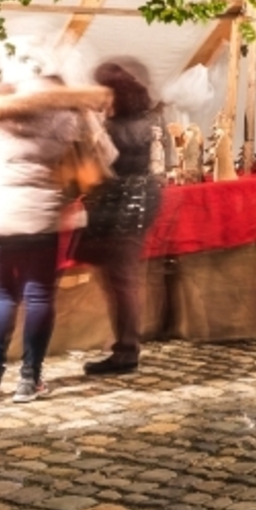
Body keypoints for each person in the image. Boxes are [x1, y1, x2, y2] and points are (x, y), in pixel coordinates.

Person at [0, 76, 115, 404]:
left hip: (3, 216)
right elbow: (103, 152)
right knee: (38, 297)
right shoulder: (63, 120)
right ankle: (29, 378)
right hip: (43, 216)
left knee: (4, 295)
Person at [76, 60, 173, 377]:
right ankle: (124, 343)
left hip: (122, 205)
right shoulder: (147, 118)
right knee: (124, 279)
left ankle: (126, 350)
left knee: (121, 281)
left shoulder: (115, 128)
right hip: (140, 199)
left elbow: (100, 169)